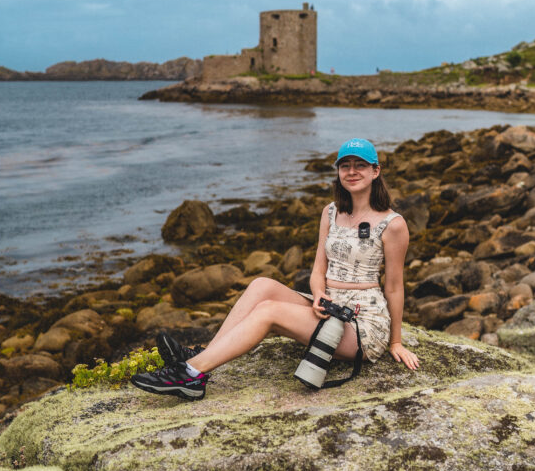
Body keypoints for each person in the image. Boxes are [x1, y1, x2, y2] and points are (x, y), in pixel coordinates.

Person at [131, 138, 419, 400]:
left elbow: (394, 286)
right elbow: (319, 267)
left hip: (362, 323)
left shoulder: (393, 224)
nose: (352, 171)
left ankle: (189, 374)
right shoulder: (331, 212)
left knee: (268, 311)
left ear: (375, 171)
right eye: (345, 166)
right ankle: (203, 357)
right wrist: (319, 295)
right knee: (261, 285)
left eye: (360, 165)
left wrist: (396, 342)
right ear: (339, 172)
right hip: (329, 304)